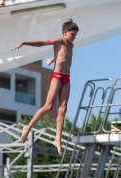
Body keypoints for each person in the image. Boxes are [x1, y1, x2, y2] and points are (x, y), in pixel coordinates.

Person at [11, 19, 79, 156]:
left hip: (67, 78)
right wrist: (24, 42)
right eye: (72, 34)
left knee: (63, 109)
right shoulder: (59, 41)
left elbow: (63, 56)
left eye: (76, 34)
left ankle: (57, 139)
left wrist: (53, 59)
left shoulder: (71, 45)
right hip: (57, 76)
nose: (74, 37)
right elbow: (42, 43)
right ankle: (27, 127)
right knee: (48, 106)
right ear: (65, 32)